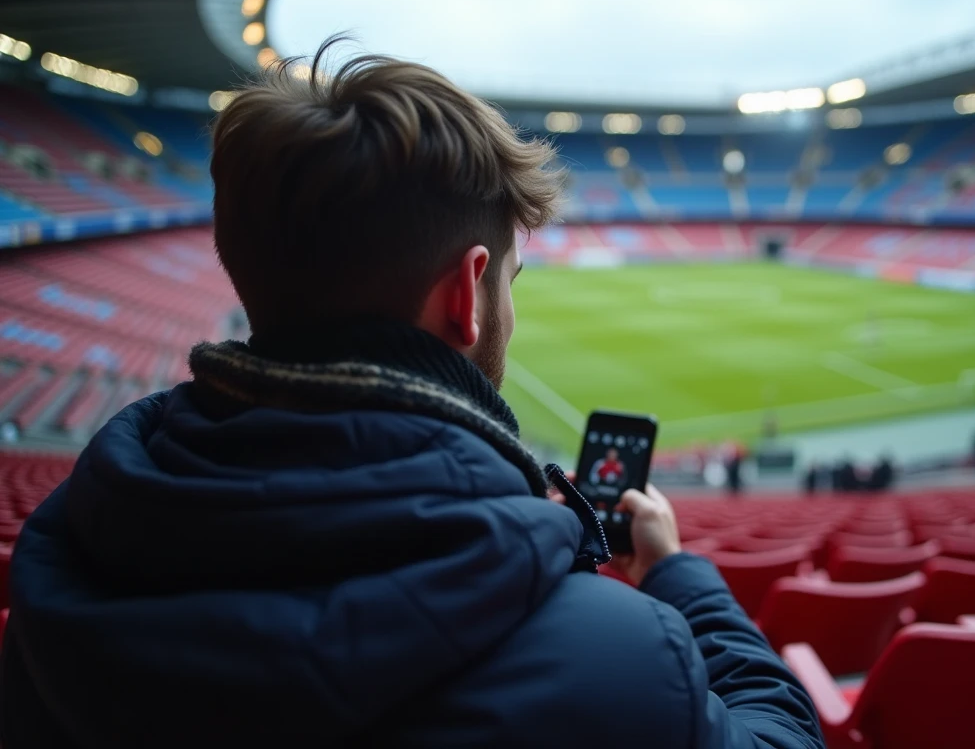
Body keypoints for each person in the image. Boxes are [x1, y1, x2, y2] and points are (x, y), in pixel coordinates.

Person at [0, 41, 822, 748]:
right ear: (467, 294)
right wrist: (681, 578)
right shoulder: (617, 655)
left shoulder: (60, 562)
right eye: (512, 277)